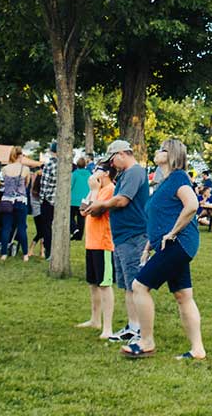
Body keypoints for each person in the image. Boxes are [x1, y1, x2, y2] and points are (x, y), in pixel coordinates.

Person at [122, 139, 205, 360]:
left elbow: (192, 205)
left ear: (171, 154)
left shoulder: (178, 177)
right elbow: (159, 217)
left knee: (139, 286)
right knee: (183, 295)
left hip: (178, 244)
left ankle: (146, 341)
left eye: (162, 149)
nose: (157, 152)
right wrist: (149, 245)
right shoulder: (165, 182)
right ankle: (198, 350)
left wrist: (173, 232)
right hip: (171, 245)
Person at [81, 139, 147, 344]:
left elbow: (122, 200)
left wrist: (100, 204)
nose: (112, 165)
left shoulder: (135, 172)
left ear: (121, 154)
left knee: (135, 285)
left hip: (133, 235)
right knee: (128, 285)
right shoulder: (127, 174)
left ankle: (139, 330)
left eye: (112, 159)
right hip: (122, 237)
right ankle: (132, 326)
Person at [77, 162, 115, 339]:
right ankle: (95, 319)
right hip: (91, 242)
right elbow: (83, 210)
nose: (93, 174)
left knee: (104, 285)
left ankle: (107, 327)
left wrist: (94, 190)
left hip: (104, 243)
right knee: (93, 283)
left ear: (106, 173)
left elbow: (94, 211)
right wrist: (92, 190)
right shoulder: (95, 189)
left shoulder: (110, 190)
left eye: (97, 170)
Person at [0, 147, 32, 262]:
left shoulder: (5, 169)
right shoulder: (25, 169)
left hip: (7, 200)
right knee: (22, 227)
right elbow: (27, 184)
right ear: (20, 155)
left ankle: (3, 253)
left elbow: (2, 183)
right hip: (20, 200)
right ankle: (25, 254)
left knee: (6, 227)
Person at [32, 142, 58, 261]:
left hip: (48, 200)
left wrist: (42, 199)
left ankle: (49, 251)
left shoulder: (49, 165)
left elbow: (44, 184)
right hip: (58, 200)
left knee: (46, 227)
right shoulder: (64, 165)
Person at [70, 156, 91, 240]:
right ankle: (79, 236)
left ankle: (75, 229)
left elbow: (71, 185)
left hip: (74, 199)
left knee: (70, 217)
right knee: (81, 219)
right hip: (85, 199)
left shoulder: (74, 174)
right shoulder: (89, 174)